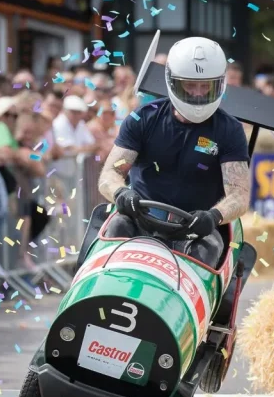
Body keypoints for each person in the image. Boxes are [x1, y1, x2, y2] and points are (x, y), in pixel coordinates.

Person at [96, 35, 251, 268]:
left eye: (206, 86)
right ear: (172, 82)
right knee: (117, 227)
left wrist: (213, 216)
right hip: (141, 218)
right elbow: (109, 174)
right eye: (190, 85)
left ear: (219, 84)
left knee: (208, 249)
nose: (198, 94)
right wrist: (121, 193)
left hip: (197, 228)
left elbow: (239, 194)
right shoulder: (141, 118)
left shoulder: (230, 129)